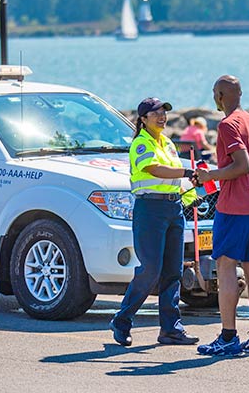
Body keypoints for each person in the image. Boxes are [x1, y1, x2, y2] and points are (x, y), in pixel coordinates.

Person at [109, 97, 200, 347]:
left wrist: (190, 192)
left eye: (164, 112)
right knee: (150, 270)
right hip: (150, 210)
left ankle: (171, 329)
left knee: (173, 272)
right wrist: (186, 172)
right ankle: (122, 321)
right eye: (155, 113)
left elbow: (173, 179)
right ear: (143, 119)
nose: (162, 116)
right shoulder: (141, 143)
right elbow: (155, 170)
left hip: (173, 208)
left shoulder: (168, 143)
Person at [194, 76, 249, 356]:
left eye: (215, 93)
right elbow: (247, 163)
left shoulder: (227, 125)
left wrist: (210, 175)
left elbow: (242, 165)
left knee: (225, 266)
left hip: (234, 205)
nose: (214, 97)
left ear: (221, 95)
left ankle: (228, 337)